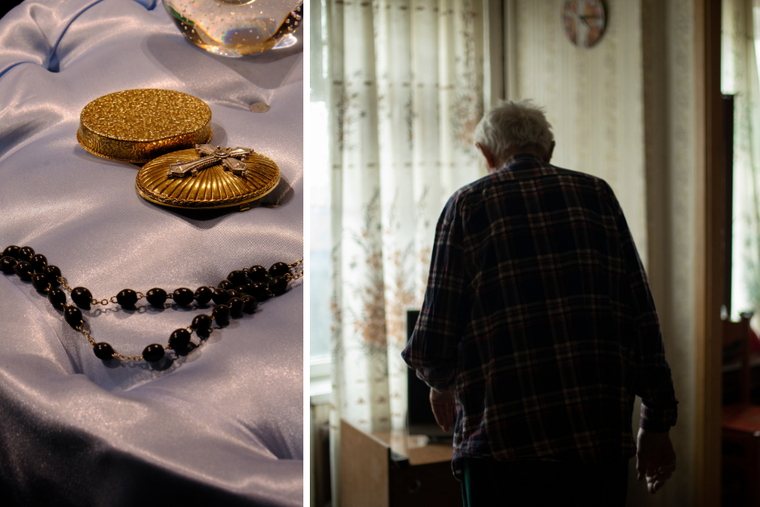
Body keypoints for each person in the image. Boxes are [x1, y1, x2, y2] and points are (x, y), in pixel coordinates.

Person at [401, 100, 678, 506]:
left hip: (502, 448)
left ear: (486, 154)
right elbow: (640, 316)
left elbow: (432, 340)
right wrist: (656, 421)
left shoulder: (468, 205)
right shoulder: (598, 195)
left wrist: (440, 383)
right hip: (595, 443)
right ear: (548, 148)